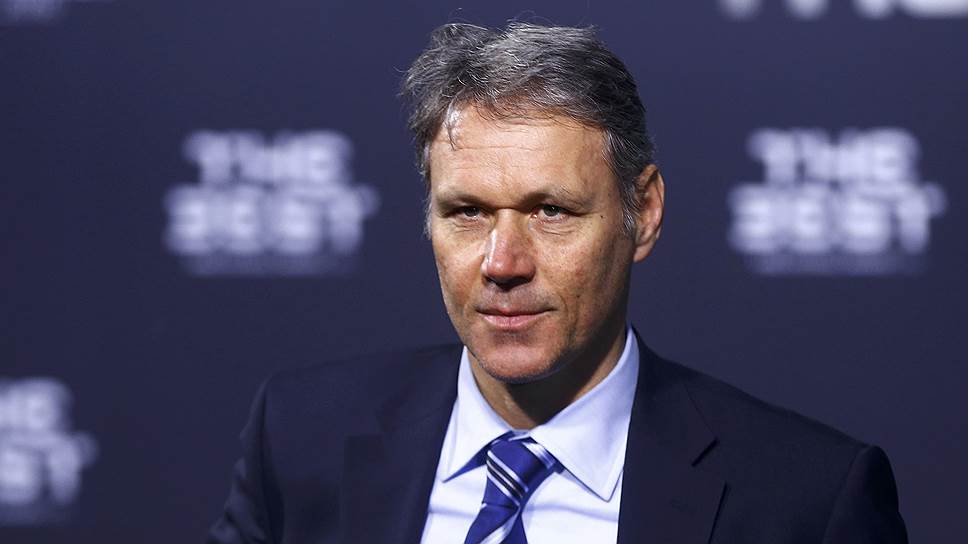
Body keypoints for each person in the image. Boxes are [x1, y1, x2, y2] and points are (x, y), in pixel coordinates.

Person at [208, 22, 908, 544]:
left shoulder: (807, 502)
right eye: (468, 211)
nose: (503, 262)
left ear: (644, 213)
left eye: (551, 211)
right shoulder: (299, 437)